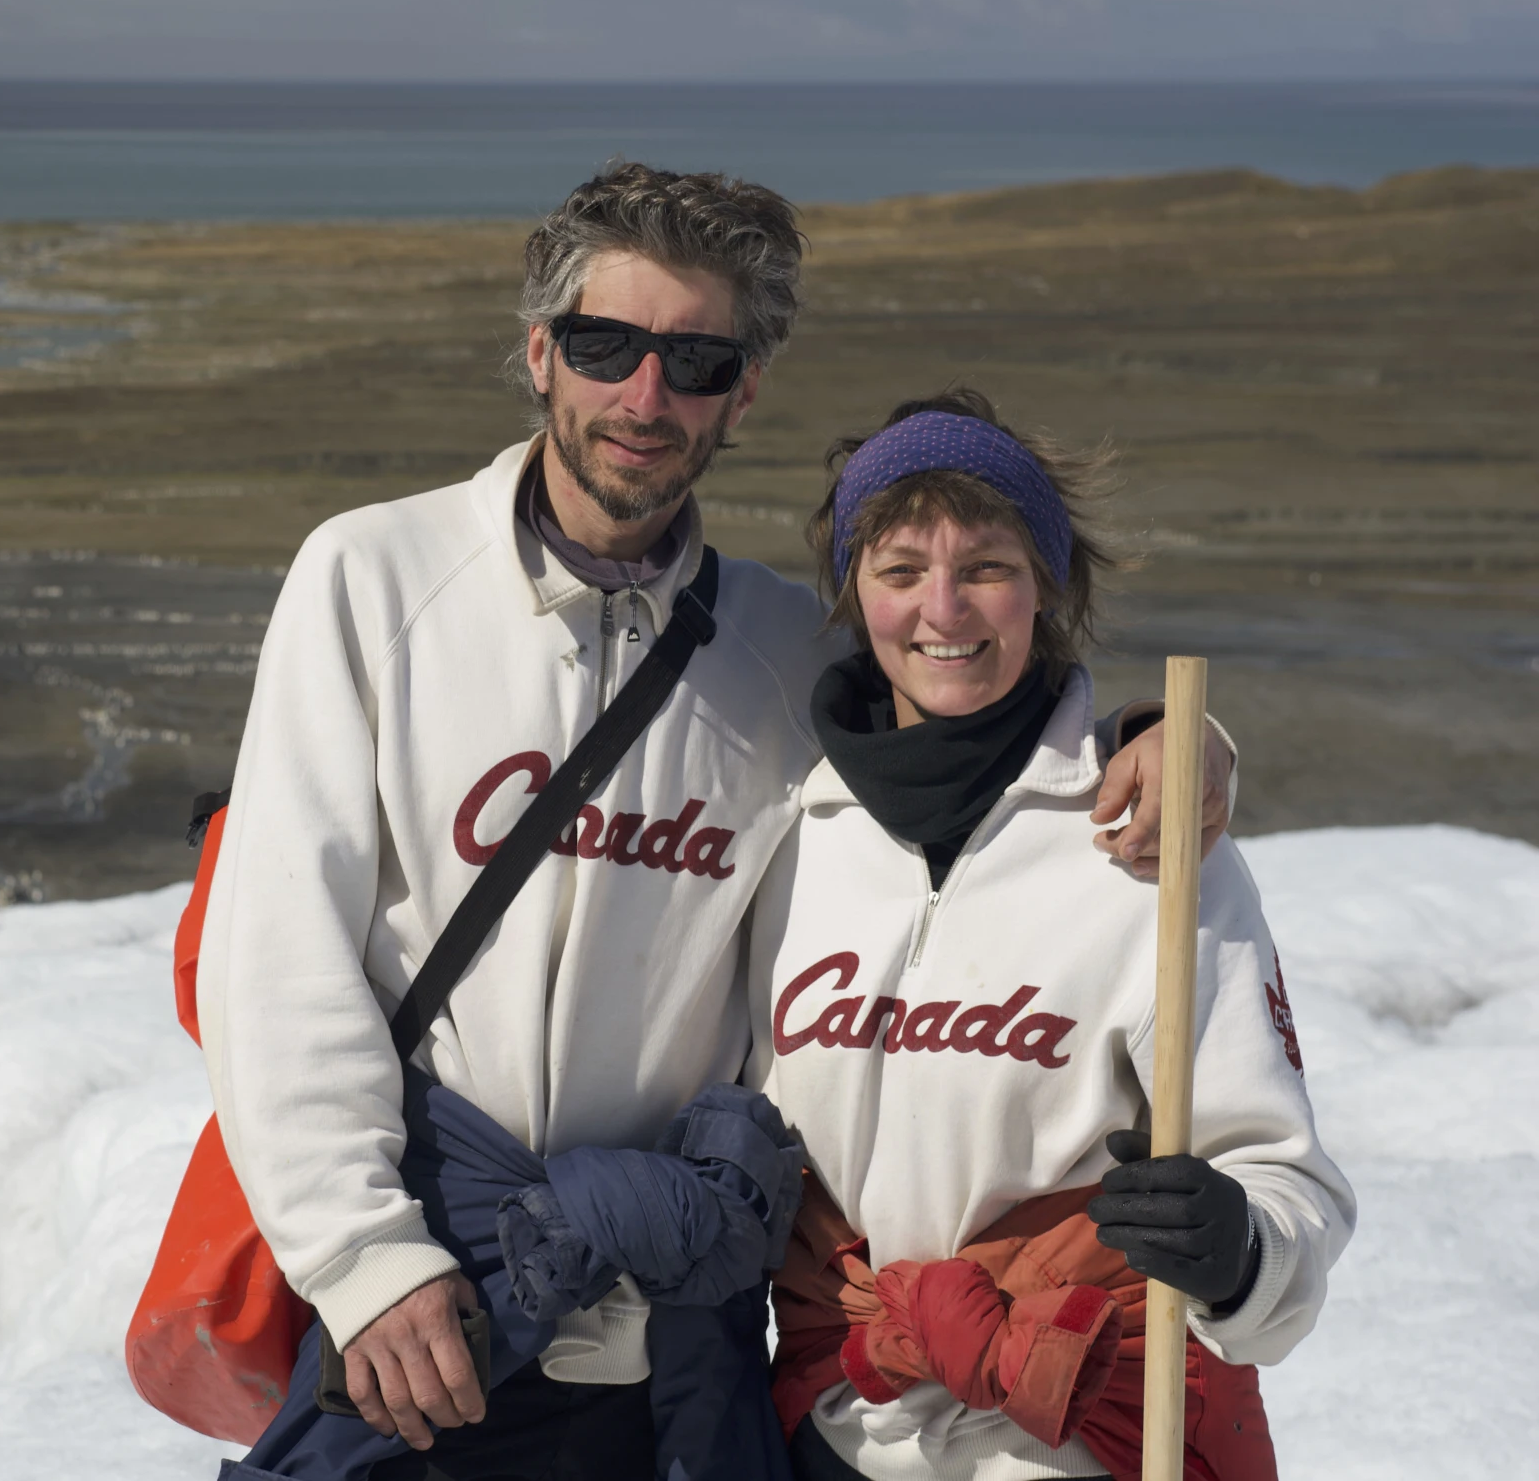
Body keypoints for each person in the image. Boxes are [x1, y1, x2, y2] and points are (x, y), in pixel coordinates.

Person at [200, 166, 1230, 1481]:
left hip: (665, 1338)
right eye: (605, 345)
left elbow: (965, 722)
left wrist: (1166, 739)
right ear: (539, 353)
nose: (645, 396)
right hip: (429, 1298)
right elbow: (278, 949)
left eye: (695, 361)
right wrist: (361, 1255)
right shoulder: (374, 578)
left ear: (742, 393)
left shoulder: (780, 648)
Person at [746, 392, 1355, 1481]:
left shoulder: (1151, 845)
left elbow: (1285, 1179)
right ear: (852, 593)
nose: (943, 607)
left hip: (1072, 1434)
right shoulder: (790, 835)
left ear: (1048, 584)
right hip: (833, 1424)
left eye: (986, 565)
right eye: (899, 569)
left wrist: (1237, 1249)